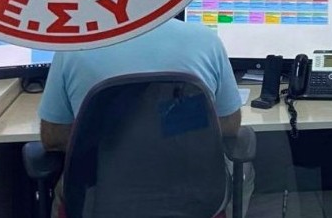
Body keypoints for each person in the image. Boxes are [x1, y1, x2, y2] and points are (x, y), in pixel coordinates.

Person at [38, 18, 254, 218]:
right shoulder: (206, 40)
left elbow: (53, 137)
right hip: (193, 196)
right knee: (244, 169)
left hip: (100, 199)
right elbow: (229, 125)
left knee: (63, 185)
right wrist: (172, 125)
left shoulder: (75, 47)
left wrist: (111, 139)